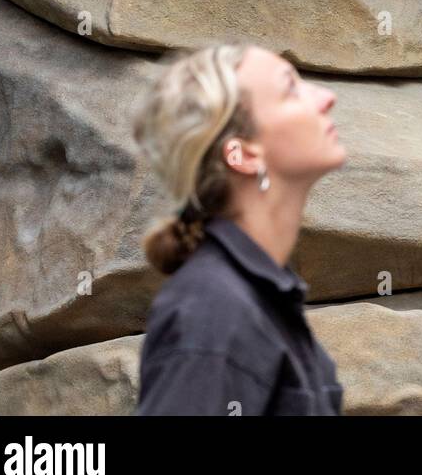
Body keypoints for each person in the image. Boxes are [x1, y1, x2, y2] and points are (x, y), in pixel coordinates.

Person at [132, 41, 347, 415]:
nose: (327, 97)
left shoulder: (261, 302)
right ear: (244, 154)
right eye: (291, 89)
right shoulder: (213, 309)